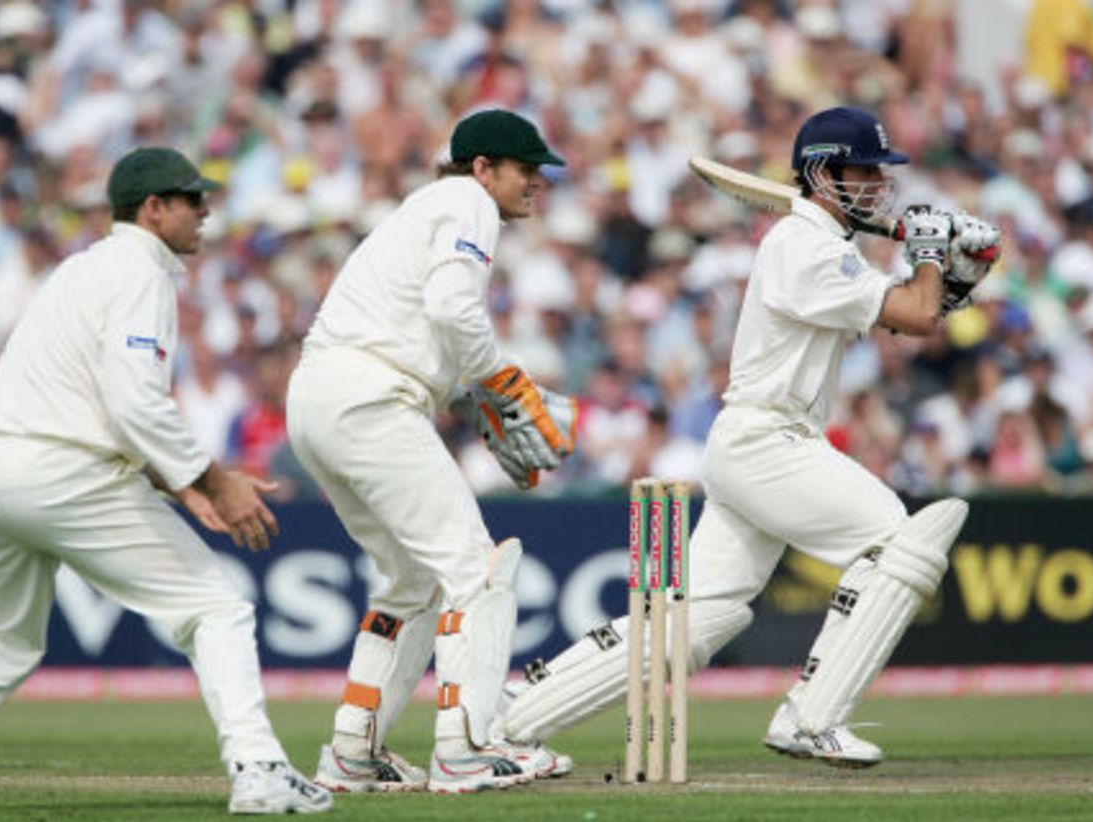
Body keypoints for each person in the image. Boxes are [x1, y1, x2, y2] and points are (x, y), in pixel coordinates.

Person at [0, 147, 332, 816]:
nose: (205, 211)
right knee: (216, 607)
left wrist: (180, 487)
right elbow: (135, 405)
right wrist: (216, 480)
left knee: (5, 639)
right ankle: (260, 770)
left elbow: (94, 402)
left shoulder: (82, 268)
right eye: (191, 200)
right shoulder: (142, 275)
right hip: (59, 473)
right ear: (154, 209)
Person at [493, 107, 1002, 768]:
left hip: (761, 443)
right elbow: (917, 312)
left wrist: (960, 271)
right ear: (822, 173)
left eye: (882, 172)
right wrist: (933, 254)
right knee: (900, 542)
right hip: (768, 441)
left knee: (697, 618)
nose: (879, 184)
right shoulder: (803, 246)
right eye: (864, 170)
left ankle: (513, 721)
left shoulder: (825, 249)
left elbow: (912, 316)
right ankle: (813, 717)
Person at [286, 108, 576, 794]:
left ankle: (354, 752)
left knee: (408, 582)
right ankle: (468, 749)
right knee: (477, 570)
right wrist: (503, 380)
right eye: (525, 170)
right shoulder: (466, 201)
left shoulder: (428, 208)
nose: (536, 183)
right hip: (370, 402)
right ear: (483, 167)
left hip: (320, 401)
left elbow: (426, 327)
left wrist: (476, 397)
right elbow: (452, 309)